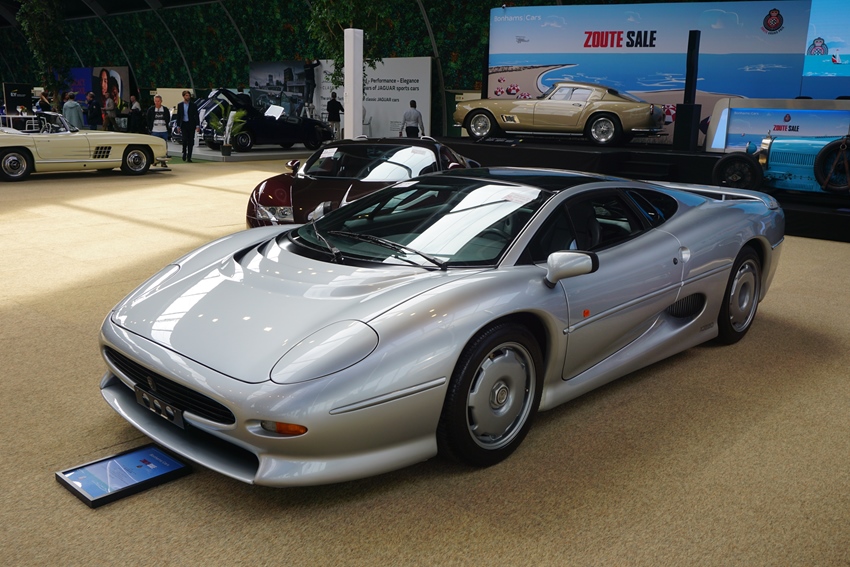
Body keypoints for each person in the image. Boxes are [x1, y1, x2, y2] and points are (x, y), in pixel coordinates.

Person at [174, 90, 200, 162]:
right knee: (184, 139)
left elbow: (196, 115)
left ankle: (189, 157)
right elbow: (179, 116)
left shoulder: (193, 105)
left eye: (189, 95)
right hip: (184, 124)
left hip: (191, 124)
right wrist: (178, 126)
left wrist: (198, 125)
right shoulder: (180, 105)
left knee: (191, 141)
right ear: (183, 96)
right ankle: (184, 152)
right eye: (186, 95)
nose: (188, 97)